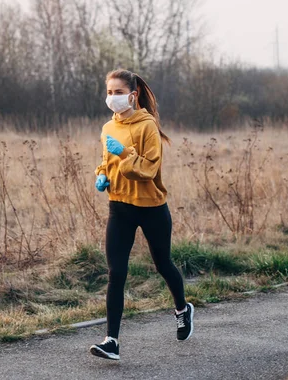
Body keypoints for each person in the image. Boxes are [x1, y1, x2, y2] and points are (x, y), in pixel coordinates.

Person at [89, 69, 194, 361]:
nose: (112, 98)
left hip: (151, 208)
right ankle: (112, 341)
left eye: (118, 92)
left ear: (133, 96)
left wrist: (123, 154)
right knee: (116, 273)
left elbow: (148, 170)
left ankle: (182, 309)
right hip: (119, 207)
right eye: (109, 92)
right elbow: (105, 161)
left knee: (163, 264)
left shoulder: (147, 126)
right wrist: (101, 175)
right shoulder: (108, 127)